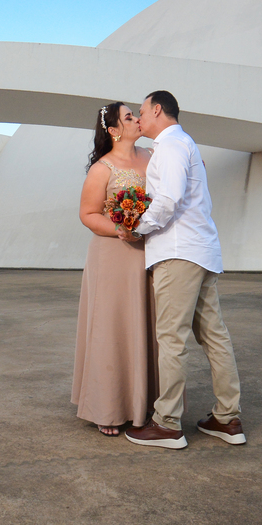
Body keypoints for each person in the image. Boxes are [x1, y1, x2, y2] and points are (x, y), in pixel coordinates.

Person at [124, 90, 245, 450]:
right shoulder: (182, 144)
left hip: (178, 252)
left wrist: (138, 227)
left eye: (142, 112)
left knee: (171, 338)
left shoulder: (172, 145)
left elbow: (168, 198)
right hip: (201, 250)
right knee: (214, 335)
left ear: (157, 109)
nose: (139, 118)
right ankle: (227, 418)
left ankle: (167, 424)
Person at [72, 102, 158, 436]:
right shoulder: (102, 169)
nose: (137, 119)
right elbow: (88, 214)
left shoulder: (152, 157)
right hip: (112, 255)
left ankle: (146, 403)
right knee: (113, 326)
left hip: (149, 253)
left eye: (136, 114)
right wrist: (119, 228)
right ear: (113, 130)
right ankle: (108, 407)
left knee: (147, 324)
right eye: (129, 117)